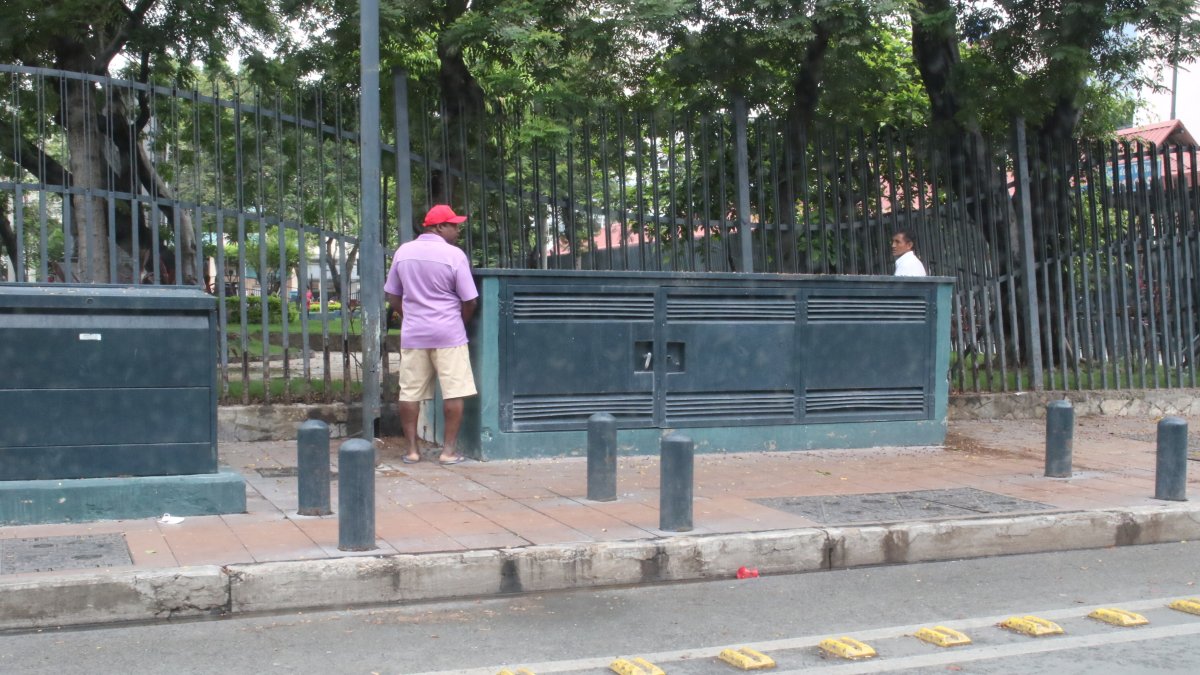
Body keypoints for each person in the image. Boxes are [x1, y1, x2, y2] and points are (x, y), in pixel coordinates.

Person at [384, 204, 479, 465]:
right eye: (454, 225)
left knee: (409, 392)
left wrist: (409, 316)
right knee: (454, 391)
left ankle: (413, 451)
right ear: (439, 227)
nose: (457, 231)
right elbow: (470, 300)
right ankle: (448, 452)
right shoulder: (454, 255)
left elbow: (393, 294)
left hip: (414, 334)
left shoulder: (403, 252)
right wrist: (458, 323)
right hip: (448, 334)